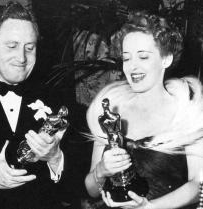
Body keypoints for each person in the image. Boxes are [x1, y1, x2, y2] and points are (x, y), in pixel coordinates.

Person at [0, 2, 74, 209]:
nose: (22, 58)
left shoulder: (58, 103)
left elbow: (78, 187)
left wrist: (55, 158)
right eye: (12, 46)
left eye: (30, 47)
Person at [85, 11, 203, 209]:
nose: (132, 67)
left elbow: (197, 186)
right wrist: (101, 170)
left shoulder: (188, 112)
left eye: (143, 57)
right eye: (127, 58)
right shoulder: (110, 109)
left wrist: (149, 207)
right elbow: (91, 189)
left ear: (166, 59)